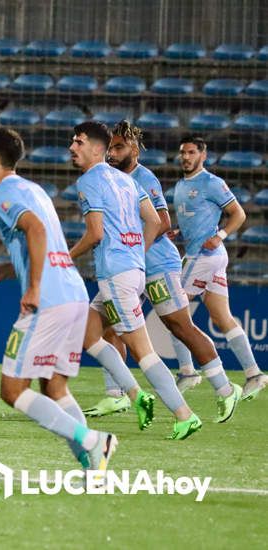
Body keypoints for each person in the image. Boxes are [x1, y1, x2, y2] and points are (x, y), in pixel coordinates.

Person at [0, 128, 117, 471]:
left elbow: (35, 230)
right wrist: (8, 270)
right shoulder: (32, 189)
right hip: (73, 294)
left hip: (49, 298)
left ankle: (94, 440)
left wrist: (33, 287)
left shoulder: (1, 194)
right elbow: (46, 241)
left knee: (12, 391)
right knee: (54, 387)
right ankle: (92, 465)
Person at [82, 122, 242, 424]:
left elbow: (163, 220)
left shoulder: (143, 177)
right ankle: (116, 395)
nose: (113, 154)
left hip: (156, 265)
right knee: (107, 327)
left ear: (134, 149)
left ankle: (224, 387)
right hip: (131, 267)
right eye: (111, 148)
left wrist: (134, 250)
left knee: (180, 327)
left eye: (119, 148)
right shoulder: (111, 178)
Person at [67, 121, 201, 440]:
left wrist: (62, 257)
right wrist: (135, 251)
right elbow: (154, 220)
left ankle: (185, 415)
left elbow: (95, 233)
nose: (72, 148)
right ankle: (134, 394)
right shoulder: (126, 180)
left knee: (144, 352)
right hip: (132, 270)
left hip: (116, 273)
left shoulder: (88, 182)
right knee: (88, 334)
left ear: (96, 149)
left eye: (79, 142)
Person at [170, 136, 268, 400]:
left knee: (171, 309)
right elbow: (195, 218)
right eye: (183, 153)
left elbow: (239, 214)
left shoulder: (212, 183)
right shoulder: (180, 185)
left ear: (203, 155)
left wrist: (221, 235)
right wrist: (178, 230)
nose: (186, 157)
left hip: (204, 255)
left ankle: (188, 371)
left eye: (191, 152)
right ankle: (254, 374)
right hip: (204, 256)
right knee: (222, 318)